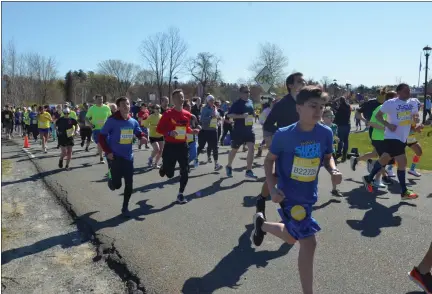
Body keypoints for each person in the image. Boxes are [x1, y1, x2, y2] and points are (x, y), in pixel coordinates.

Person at [252, 86, 342, 294]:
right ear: (299, 108)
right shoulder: (284, 135)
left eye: (322, 107)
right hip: (288, 196)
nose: (319, 111)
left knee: (293, 237)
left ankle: (262, 224)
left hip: (308, 196)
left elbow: (328, 158)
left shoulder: (325, 133)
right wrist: (273, 189)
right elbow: (268, 163)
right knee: (309, 243)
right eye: (313, 106)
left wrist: (334, 170)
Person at [257, 72, 306, 219]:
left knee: (292, 177)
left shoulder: (306, 102)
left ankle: (267, 201)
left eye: (304, 81)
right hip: (285, 147)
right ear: (290, 85)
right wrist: (272, 141)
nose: (303, 83)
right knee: (279, 177)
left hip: (302, 147)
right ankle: (268, 203)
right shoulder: (282, 104)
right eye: (300, 81)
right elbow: (268, 124)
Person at [362, 83, 420, 200]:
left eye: (409, 90)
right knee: (402, 162)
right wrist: (388, 125)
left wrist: (417, 124)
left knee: (384, 159)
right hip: (392, 137)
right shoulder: (390, 103)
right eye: (405, 91)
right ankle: (404, 191)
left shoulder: (412, 103)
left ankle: (368, 178)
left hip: (403, 138)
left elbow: (414, 118)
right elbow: (378, 116)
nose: (408, 93)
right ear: (398, 93)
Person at [99, 96, 148, 217]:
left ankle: (125, 208)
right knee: (116, 185)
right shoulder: (112, 120)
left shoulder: (133, 121)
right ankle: (111, 178)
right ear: (119, 107)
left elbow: (138, 131)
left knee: (129, 184)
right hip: (114, 156)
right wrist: (108, 151)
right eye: (123, 104)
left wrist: (142, 137)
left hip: (128, 158)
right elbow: (101, 137)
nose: (126, 106)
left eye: (128, 104)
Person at [156, 89, 200, 204]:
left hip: (182, 146)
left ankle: (180, 194)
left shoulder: (186, 114)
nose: (181, 99)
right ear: (173, 100)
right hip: (170, 146)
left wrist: (192, 131)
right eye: (178, 97)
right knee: (170, 174)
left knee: (185, 170)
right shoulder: (168, 114)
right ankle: (164, 167)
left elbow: (186, 129)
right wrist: (169, 133)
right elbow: (159, 129)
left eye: (182, 97)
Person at [225, 85, 258, 179]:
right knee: (235, 150)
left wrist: (254, 114)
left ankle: (249, 170)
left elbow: (251, 112)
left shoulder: (250, 102)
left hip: (249, 129)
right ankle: (229, 165)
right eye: (246, 92)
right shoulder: (237, 103)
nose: (248, 93)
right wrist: (241, 116)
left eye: (249, 92)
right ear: (240, 93)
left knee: (251, 148)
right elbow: (229, 115)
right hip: (239, 130)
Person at [196, 95, 222, 170]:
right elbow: (202, 120)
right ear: (207, 101)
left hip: (214, 130)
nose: (212, 102)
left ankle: (216, 164)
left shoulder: (214, 107)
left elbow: (217, 116)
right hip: (205, 130)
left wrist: (218, 119)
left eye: (213, 100)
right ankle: (195, 158)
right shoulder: (204, 108)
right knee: (201, 146)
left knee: (215, 147)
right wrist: (211, 117)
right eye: (211, 100)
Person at [321, 108, 342, 196]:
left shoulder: (334, 126)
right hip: (319, 152)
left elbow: (335, 137)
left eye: (332, 116)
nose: (331, 118)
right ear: (323, 117)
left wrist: (336, 140)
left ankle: (334, 189)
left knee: (334, 171)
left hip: (330, 153)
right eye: (329, 116)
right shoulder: (319, 126)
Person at [86, 94, 112, 164]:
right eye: (99, 99)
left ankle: (108, 155)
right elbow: (86, 118)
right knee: (100, 143)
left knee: (107, 143)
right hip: (96, 129)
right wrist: (90, 124)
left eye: (102, 99)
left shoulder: (106, 107)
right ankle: (101, 157)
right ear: (95, 100)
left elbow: (110, 117)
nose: (101, 101)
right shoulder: (92, 108)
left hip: (106, 129)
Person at [333, 96, 352, 162]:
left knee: (340, 140)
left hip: (341, 125)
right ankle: (344, 154)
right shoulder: (348, 107)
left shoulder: (340, 108)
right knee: (346, 140)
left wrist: (336, 100)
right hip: (347, 125)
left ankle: (339, 153)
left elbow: (336, 115)